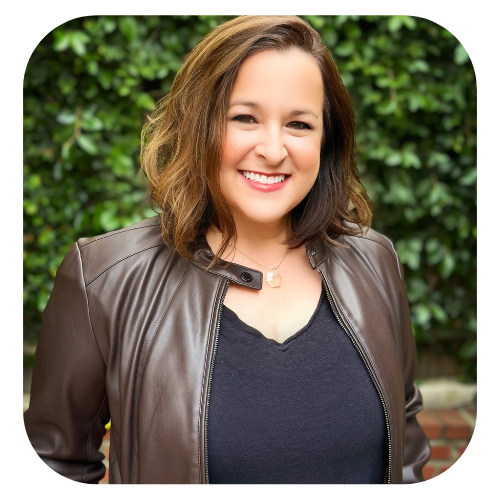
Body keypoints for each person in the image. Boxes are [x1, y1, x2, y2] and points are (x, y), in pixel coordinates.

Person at [24, 15, 430, 484]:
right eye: (245, 118)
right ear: (199, 124)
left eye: (299, 123)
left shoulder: (375, 261)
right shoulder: (103, 279)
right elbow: (55, 466)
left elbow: (406, 447)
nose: (273, 149)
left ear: (327, 139)